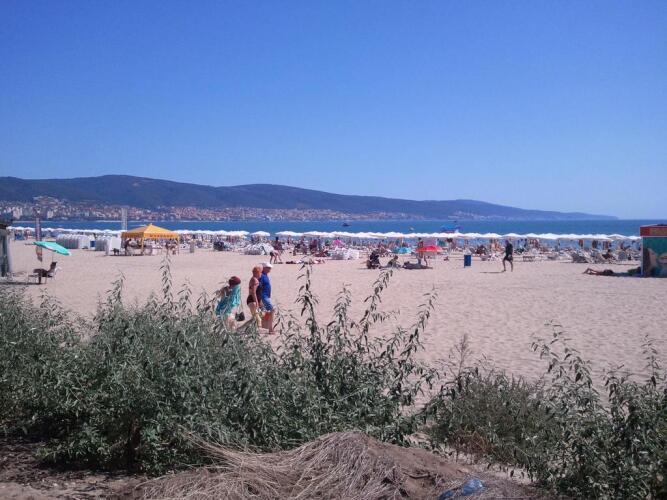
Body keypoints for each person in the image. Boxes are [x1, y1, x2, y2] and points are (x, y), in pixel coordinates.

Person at [259, 262, 275, 334]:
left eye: (270, 268)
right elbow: (259, 288)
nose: (270, 269)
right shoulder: (262, 276)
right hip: (264, 297)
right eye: (268, 268)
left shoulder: (265, 275)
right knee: (271, 310)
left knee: (263, 313)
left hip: (266, 296)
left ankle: (266, 326)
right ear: (264, 268)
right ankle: (270, 329)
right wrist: (260, 299)